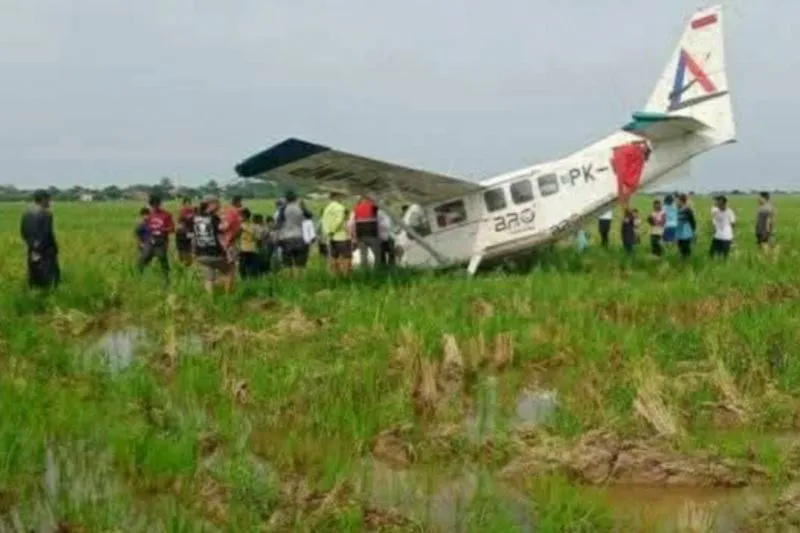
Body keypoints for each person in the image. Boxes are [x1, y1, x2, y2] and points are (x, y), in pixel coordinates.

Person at [193, 196, 234, 295]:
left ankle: (209, 301)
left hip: (201, 254)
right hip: (214, 253)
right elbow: (220, 236)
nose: (219, 206)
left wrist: (194, 251)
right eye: (218, 203)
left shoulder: (196, 217)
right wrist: (228, 254)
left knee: (209, 278)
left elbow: (195, 236)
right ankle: (228, 296)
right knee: (229, 270)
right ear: (211, 204)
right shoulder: (213, 218)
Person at [20, 189, 60, 289]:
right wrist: (54, 249)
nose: (49, 202)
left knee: (34, 275)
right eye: (48, 200)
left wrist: (32, 247)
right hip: (45, 251)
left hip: (32, 250)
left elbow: (23, 232)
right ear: (43, 200)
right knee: (50, 279)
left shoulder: (26, 214)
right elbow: (47, 234)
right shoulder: (46, 214)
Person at [276, 190, 313, 274]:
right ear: (296, 198)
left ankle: (289, 283)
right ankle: (300, 282)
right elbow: (310, 216)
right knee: (300, 265)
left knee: (287, 265)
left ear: (286, 199)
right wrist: (304, 206)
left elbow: (278, 224)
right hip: (300, 237)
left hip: (286, 239)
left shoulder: (283, 209)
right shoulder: (301, 208)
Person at [138, 194, 174, 279]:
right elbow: (145, 228)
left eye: (156, 204)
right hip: (150, 240)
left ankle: (166, 278)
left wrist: (162, 230)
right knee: (143, 258)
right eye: (152, 205)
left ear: (159, 204)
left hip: (161, 240)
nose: (154, 206)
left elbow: (172, 229)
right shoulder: (149, 215)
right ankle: (139, 276)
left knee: (162, 259)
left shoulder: (166, 215)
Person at [321, 191, 352, 275]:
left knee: (334, 257)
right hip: (341, 236)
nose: (342, 199)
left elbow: (324, 222)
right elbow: (339, 220)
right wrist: (333, 230)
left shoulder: (327, 208)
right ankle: (346, 276)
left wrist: (328, 232)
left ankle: (335, 276)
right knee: (346, 257)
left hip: (330, 237)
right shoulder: (340, 207)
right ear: (337, 197)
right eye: (341, 197)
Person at [352, 195, 382, 268]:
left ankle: (364, 271)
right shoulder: (373, 206)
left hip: (360, 234)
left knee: (363, 255)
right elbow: (379, 207)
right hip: (371, 234)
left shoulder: (356, 208)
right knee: (377, 254)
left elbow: (352, 221)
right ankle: (378, 270)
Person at [238, 208, 262, 279]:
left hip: (243, 249)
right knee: (253, 269)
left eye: (240, 216)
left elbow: (235, 237)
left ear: (244, 216)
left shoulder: (239, 226)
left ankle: (245, 281)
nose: (239, 217)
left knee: (243, 268)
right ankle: (253, 283)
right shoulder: (255, 226)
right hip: (252, 249)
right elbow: (258, 239)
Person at [709, 195, 736, 259]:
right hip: (717, 236)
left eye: (720, 202)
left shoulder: (730, 212)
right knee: (712, 253)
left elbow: (733, 223)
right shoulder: (715, 211)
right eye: (717, 202)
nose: (718, 204)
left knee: (724, 256)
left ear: (724, 203)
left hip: (726, 237)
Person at [221, 195, 244, 265]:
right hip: (232, 237)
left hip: (230, 237)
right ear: (237, 202)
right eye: (240, 202)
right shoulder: (234, 211)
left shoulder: (226, 210)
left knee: (232, 256)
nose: (241, 203)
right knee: (234, 257)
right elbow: (227, 225)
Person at [176, 196, 195, 266]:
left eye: (189, 203)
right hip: (182, 234)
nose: (188, 205)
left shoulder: (193, 211)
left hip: (190, 233)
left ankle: (188, 264)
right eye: (186, 204)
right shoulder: (182, 212)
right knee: (182, 251)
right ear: (183, 204)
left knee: (190, 250)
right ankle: (182, 265)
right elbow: (181, 223)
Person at [675, 193, 696, 258]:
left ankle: (687, 258)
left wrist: (693, 231)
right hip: (679, 231)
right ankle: (682, 258)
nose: (676, 202)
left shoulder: (687, 210)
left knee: (685, 246)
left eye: (677, 201)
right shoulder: (678, 209)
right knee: (680, 245)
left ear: (681, 201)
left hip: (686, 231)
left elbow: (692, 221)